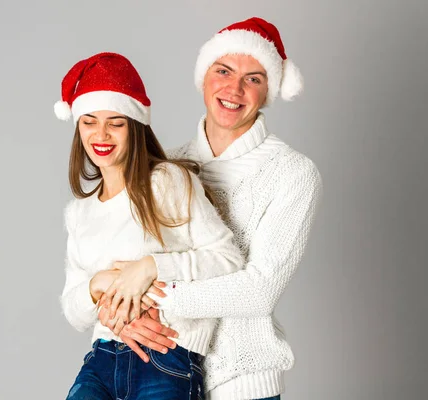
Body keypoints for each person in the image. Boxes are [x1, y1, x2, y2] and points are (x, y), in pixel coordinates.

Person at [99, 17, 323, 400]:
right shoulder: (165, 165)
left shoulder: (293, 173)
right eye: (223, 70)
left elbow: (258, 291)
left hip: (241, 384)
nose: (234, 88)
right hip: (157, 373)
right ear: (204, 78)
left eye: (253, 78)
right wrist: (113, 311)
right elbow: (120, 266)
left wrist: (151, 284)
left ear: (268, 90)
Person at [55, 52, 245, 399]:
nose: (102, 134)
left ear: (135, 126)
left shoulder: (168, 181)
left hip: (165, 357)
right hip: (101, 361)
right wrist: (100, 285)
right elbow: (74, 308)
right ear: (77, 127)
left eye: (116, 122)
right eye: (89, 122)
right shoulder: (79, 213)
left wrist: (150, 268)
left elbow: (228, 259)